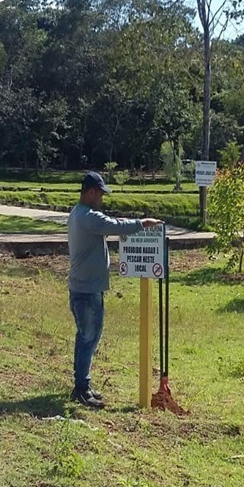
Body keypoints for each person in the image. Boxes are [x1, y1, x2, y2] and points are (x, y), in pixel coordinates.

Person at [67, 171, 162, 409]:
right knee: (89, 337)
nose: (102, 199)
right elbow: (115, 225)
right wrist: (142, 223)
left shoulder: (77, 213)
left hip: (84, 287)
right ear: (91, 192)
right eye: (100, 194)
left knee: (85, 336)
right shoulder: (88, 216)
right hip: (87, 291)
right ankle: (81, 388)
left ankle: (82, 385)